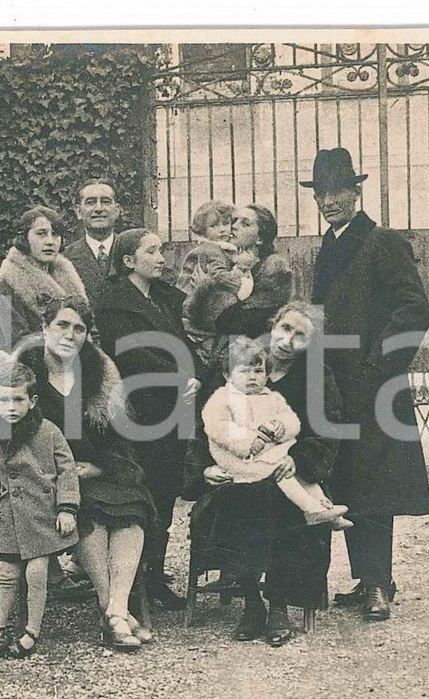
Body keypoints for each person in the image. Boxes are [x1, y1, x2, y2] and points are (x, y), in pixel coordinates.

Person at [0, 297, 156, 650]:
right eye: (62, 325)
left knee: (130, 508)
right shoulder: (23, 372)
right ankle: (113, 611)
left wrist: (103, 465)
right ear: (44, 328)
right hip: (41, 481)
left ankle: (115, 608)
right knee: (89, 514)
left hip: (91, 468)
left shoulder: (99, 373)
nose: (70, 335)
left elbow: (121, 438)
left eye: (79, 329)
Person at [301, 146, 429, 621]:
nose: (329, 200)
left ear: (356, 193)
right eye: (320, 192)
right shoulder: (330, 245)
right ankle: (365, 578)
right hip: (336, 386)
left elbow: (413, 310)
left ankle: (379, 584)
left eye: (337, 190)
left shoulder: (383, 243)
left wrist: (379, 368)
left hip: (375, 386)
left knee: (375, 483)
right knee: (348, 479)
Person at [184, 302, 343, 645]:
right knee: (239, 502)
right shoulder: (240, 362)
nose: (288, 340)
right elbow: (203, 427)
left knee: (280, 504)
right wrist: (204, 470)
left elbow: (326, 432)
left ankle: (279, 605)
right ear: (274, 326)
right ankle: (251, 603)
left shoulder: (316, 377)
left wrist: (299, 459)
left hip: (288, 472)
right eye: (284, 329)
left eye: (300, 336)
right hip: (235, 473)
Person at [96, 229, 201, 610]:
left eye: (162, 250)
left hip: (174, 408)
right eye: (152, 251)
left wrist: (194, 377)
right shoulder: (113, 304)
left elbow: (186, 346)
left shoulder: (164, 299)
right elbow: (130, 354)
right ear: (128, 261)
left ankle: (154, 575)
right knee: (143, 493)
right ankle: (134, 579)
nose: (162, 258)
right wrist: (180, 379)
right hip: (141, 410)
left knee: (166, 489)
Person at [0, 362, 80, 658]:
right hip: (10, 517)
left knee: (37, 573)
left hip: (41, 515)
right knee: (7, 574)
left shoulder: (48, 432)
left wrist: (67, 508)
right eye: (4, 400)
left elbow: (67, 470)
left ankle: (32, 630)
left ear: (32, 401)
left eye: (18, 400)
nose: (11, 407)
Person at [201, 337, 352, 529]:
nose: (252, 377)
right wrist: (248, 442)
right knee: (281, 471)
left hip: (266, 452)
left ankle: (326, 509)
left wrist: (282, 427)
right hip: (238, 459)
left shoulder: (271, 397)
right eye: (244, 372)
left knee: (301, 473)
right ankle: (311, 510)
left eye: (258, 371)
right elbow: (218, 427)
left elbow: (291, 420)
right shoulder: (222, 399)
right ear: (227, 375)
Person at [0, 205, 89, 351]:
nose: (50, 241)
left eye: (55, 234)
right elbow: (14, 341)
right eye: (42, 233)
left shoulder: (68, 278)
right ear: (25, 238)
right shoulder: (7, 285)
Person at [175, 200, 258, 367]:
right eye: (214, 226)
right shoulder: (211, 249)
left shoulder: (226, 249)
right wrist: (241, 285)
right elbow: (219, 275)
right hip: (198, 309)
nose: (222, 229)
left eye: (226, 223)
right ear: (204, 230)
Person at [213, 204, 293, 342]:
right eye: (233, 221)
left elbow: (243, 321)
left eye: (245, 224)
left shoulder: (273, 267)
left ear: (260, 238)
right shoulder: (222, 260)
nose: (234, 226)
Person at [63, 178, 121, 311]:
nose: (99, 209)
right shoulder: (65, 259)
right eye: (90, 202)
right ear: (78, 212)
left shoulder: (133, 254)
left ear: (117, 210)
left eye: (106, 202)